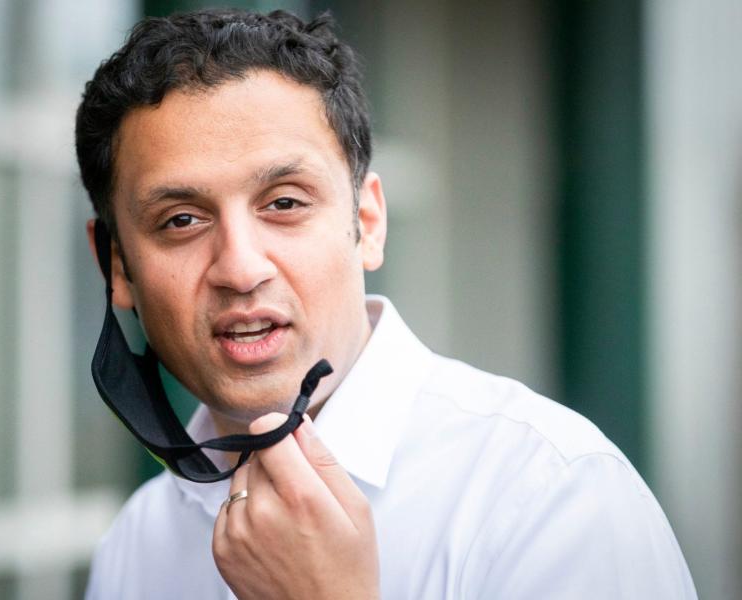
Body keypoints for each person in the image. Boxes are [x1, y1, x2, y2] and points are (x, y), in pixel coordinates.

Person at [75, 8, 696, 599]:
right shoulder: (136, 543)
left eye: (285, 203)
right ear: (118, 266)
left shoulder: (552, 497)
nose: (240, 268)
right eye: (181, 219)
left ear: (366, 222)